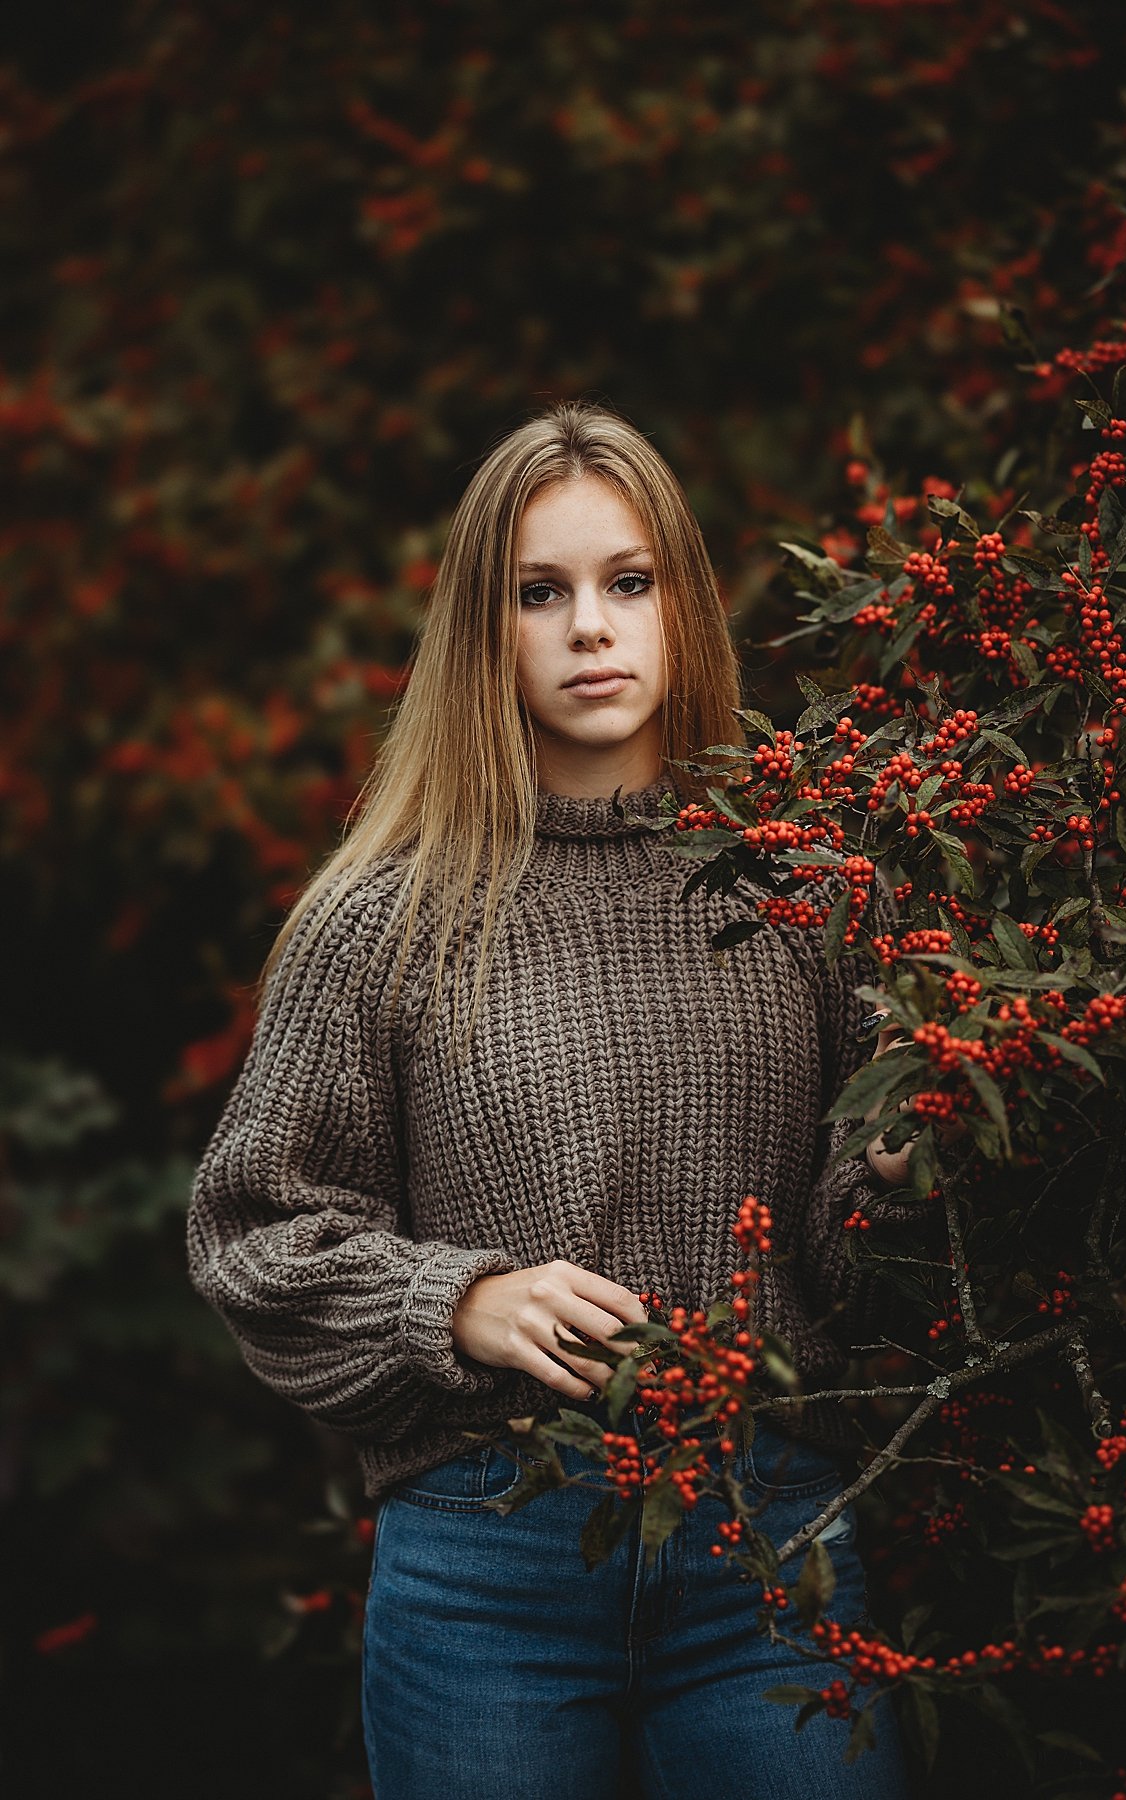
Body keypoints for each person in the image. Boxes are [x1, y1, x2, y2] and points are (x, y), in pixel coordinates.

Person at [186, 399, 934, 1798]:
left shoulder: (817, 889)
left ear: (681, 606)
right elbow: (250, 1233)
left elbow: (862, 1277)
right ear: (488, 627)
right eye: (543, 592)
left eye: (627, 582)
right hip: (488, 1566)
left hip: (765, 1541)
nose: (591, 626)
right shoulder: (385, 918)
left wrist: (900, 1174)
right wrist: (455, 1302)